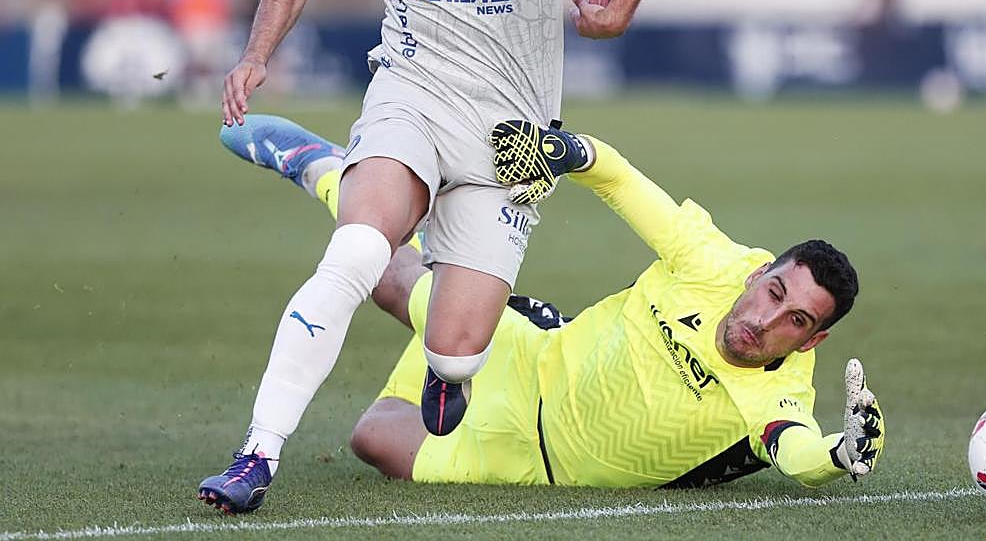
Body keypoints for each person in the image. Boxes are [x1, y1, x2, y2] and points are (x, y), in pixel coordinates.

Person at [201, 0, 685, 514]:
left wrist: (619, 9)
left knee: (458, 351)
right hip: (412, 96)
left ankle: (443, 367)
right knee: (357, 250)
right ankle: (258, 453)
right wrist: (254, 56)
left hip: (516, 137)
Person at [213, 114, 885, 492]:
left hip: (537, 464)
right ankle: (324, 167)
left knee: (372, 440)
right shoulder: (710, 259)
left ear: (810, 342)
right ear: (759, 272)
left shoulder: (782, 392)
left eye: (795, 321)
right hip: (535, 361)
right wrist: (569, 151)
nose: (767, 321)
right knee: (390, 276)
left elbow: (795, 452)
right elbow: (619, 178)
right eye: (774, 292)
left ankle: (449, 359)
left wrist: (837, 453)